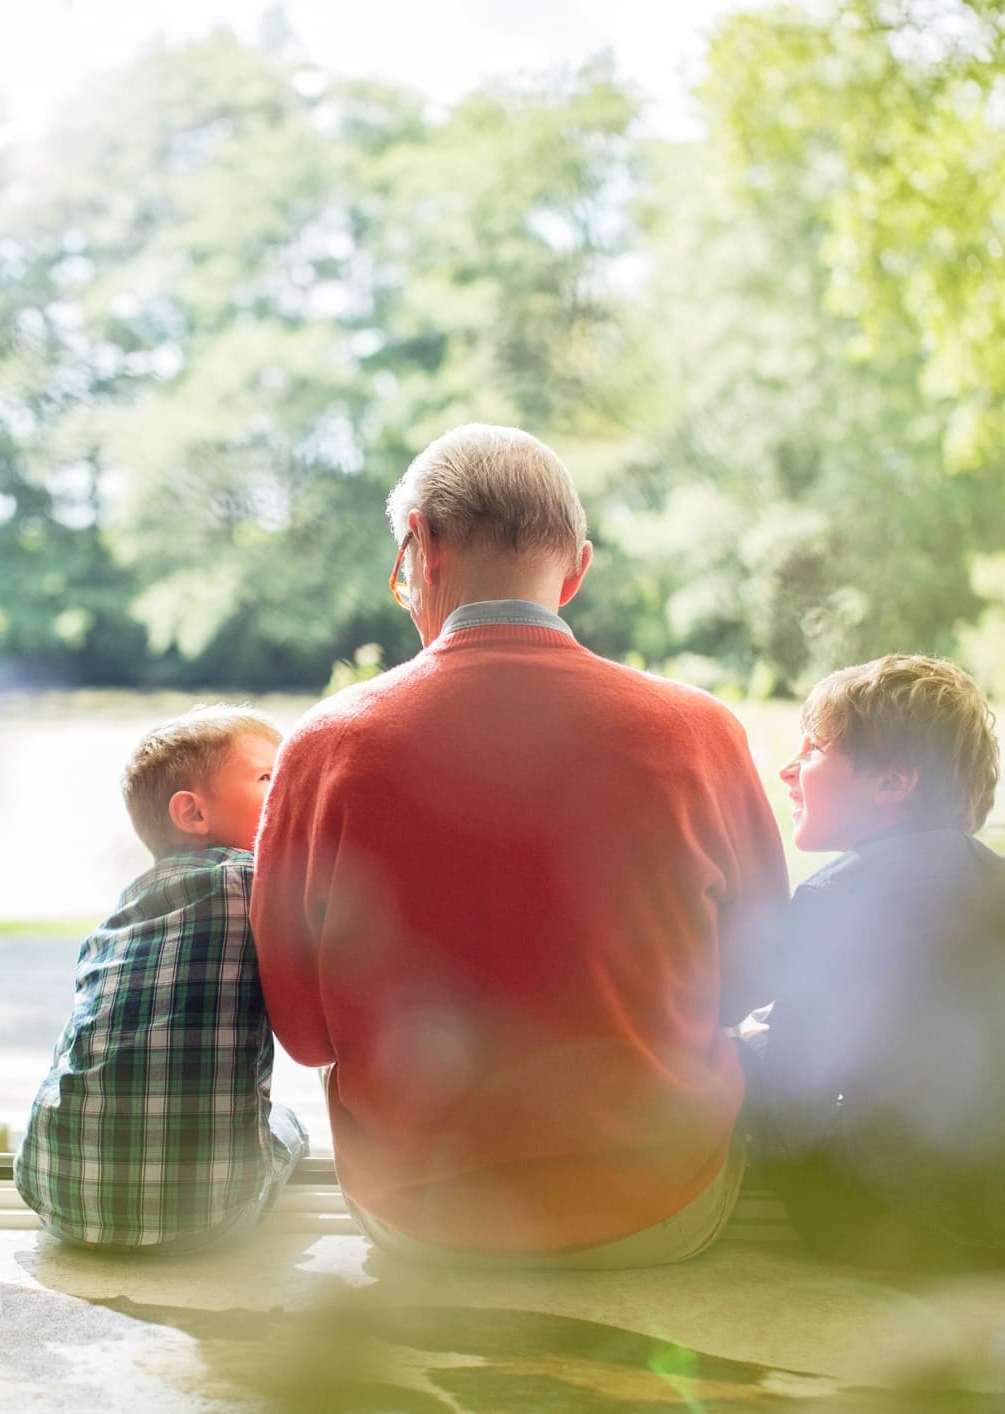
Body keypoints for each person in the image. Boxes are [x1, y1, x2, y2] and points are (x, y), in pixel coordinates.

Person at [251, 424, 788, 1267]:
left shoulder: (326, 745)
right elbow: (754, 981)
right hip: (659, 1210)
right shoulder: (700, 733)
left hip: (421, 1222)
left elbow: (307, 1035)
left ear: (419, 547)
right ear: (575, 568)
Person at [746, 654, 1005, 1268]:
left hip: (892, 1227)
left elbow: (790, 1116)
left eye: (811, 751)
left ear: (892, 782)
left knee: (727, 1058)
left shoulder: (832, 894)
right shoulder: (1002, 880)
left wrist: (746, 1051)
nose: (786, 768)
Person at [15, 705, 308, 1252]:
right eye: (271, 777)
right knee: (290, 1124)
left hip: (58, 1195)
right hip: (207, 1217)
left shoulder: (121, 914)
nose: (291, 789)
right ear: (193, 814)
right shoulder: (254, 881)